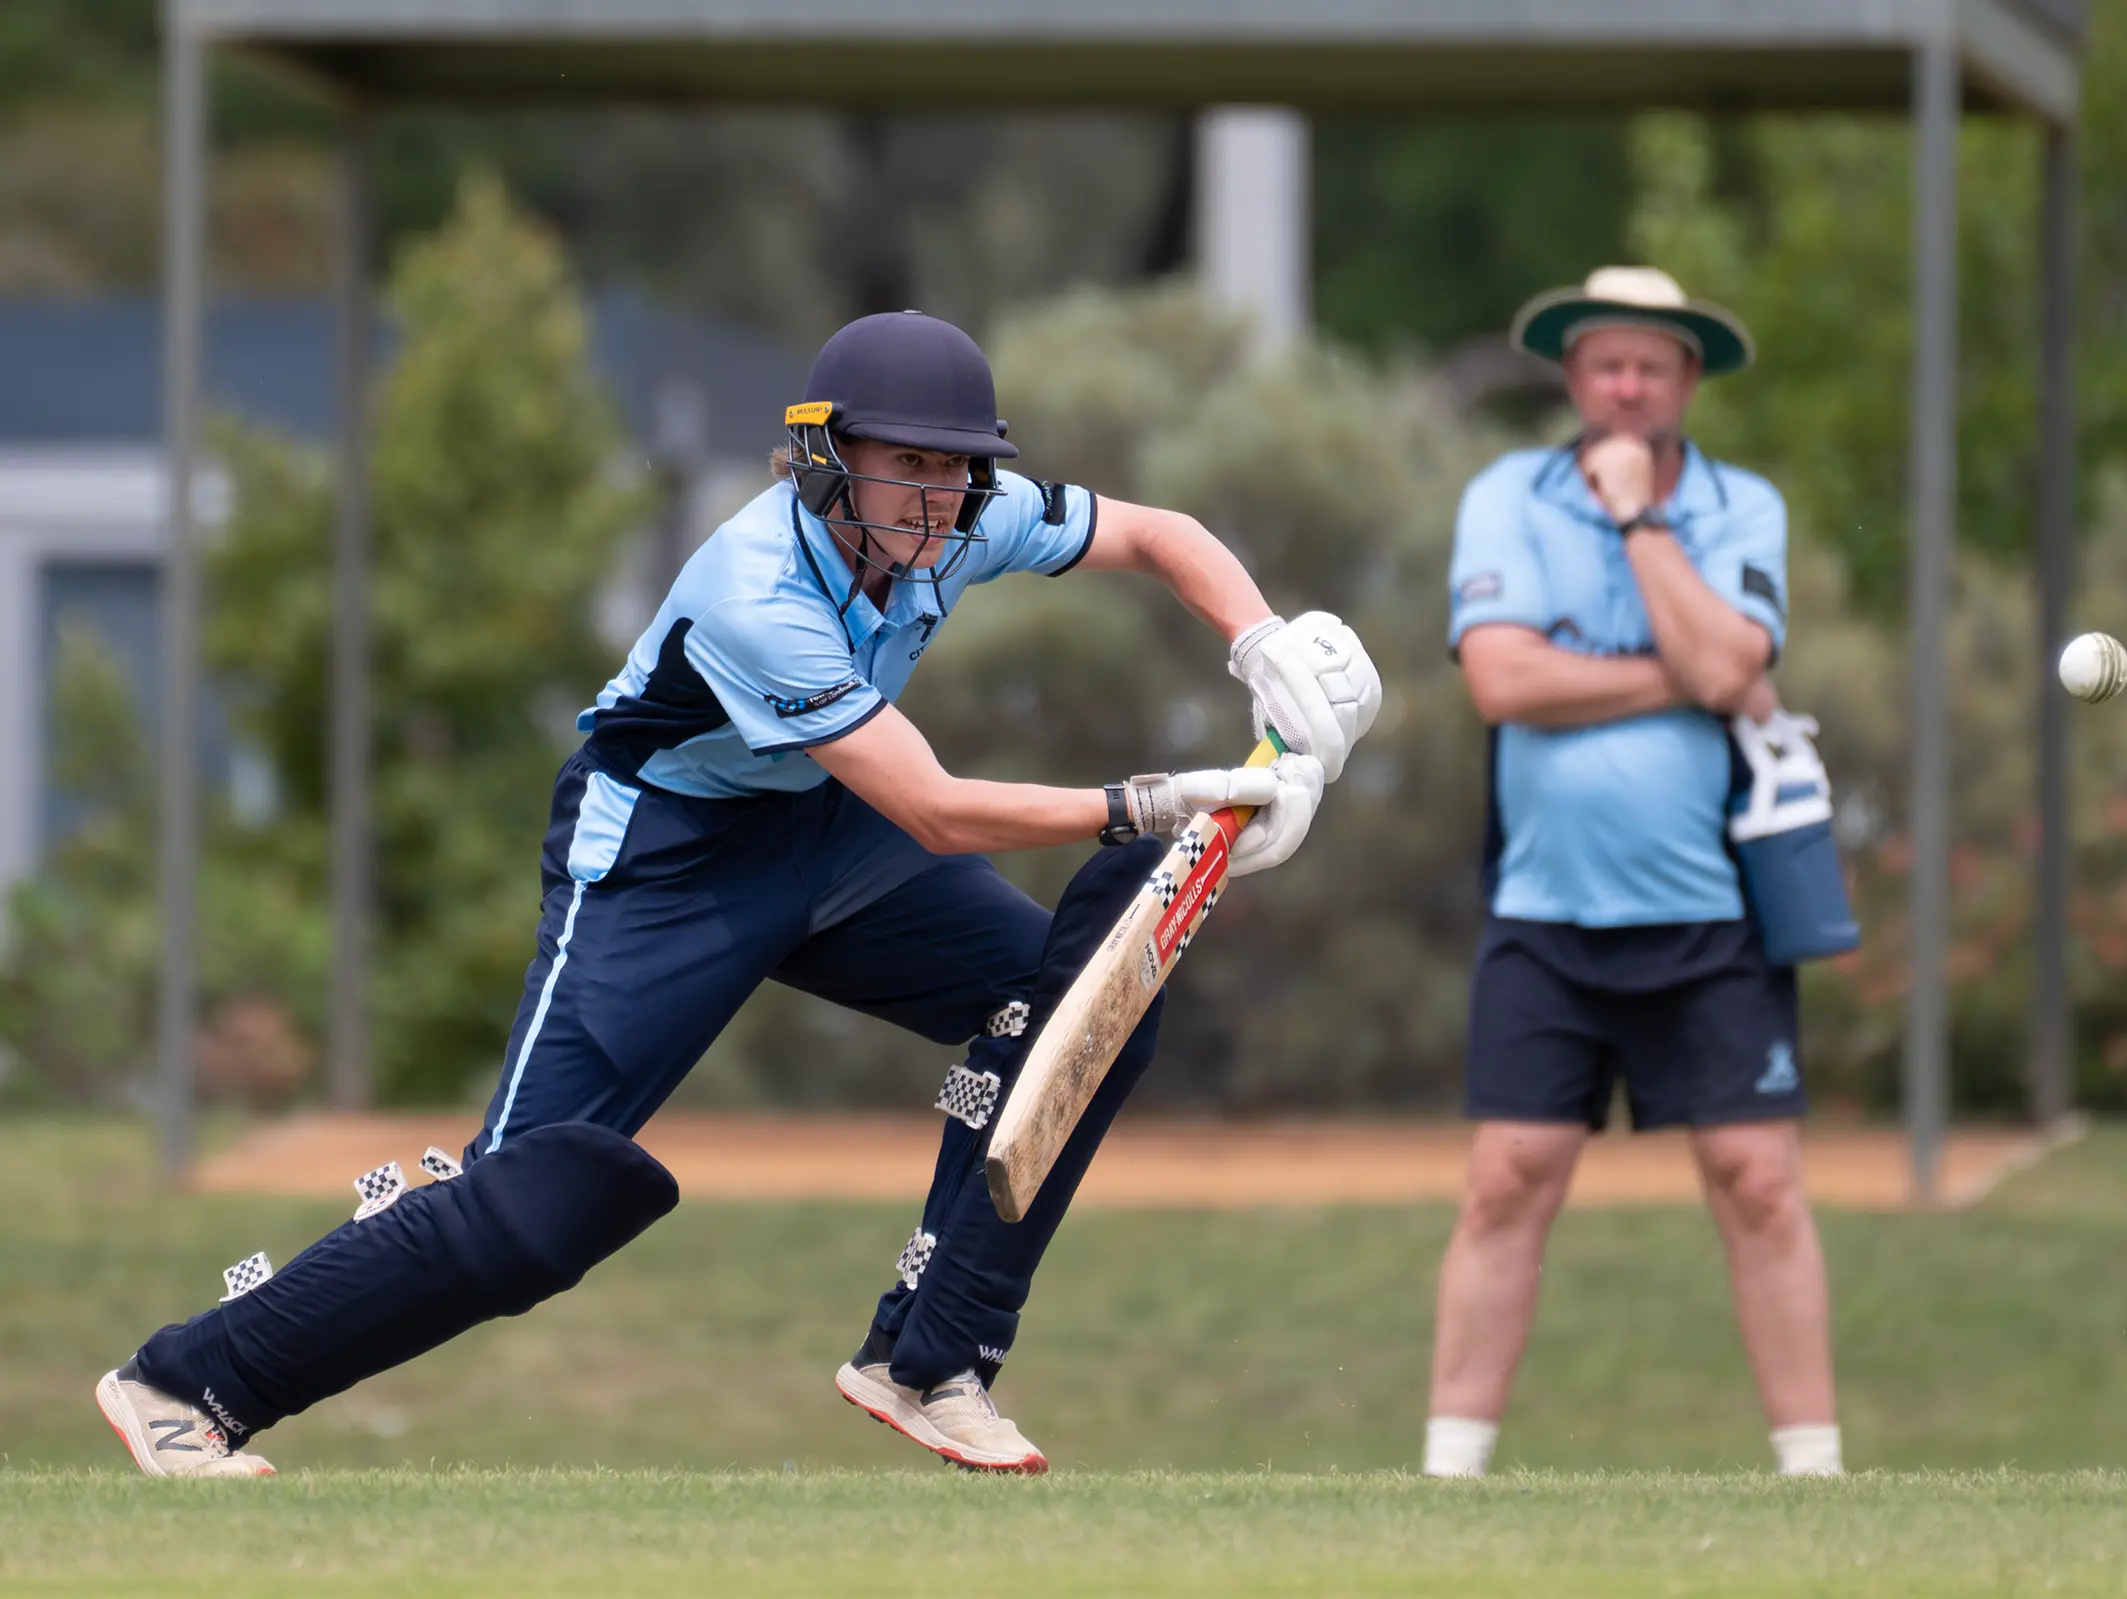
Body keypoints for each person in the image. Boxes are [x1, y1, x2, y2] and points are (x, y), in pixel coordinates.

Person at [96, 309, 1382, 1479]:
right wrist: (1153, 805)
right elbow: (930, 804)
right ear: (824, 458)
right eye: (905, 464)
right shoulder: (753, 589)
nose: (936, 497)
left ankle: (930, 1360)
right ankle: (183, 1384)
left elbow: (1161, 534)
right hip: (659, 856)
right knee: (525, 1205)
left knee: (1089, 1011)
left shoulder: (966, 516)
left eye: (954, 467)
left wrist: (1258, 642)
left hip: (821, 826)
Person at [1421, 267, 1841, 1479]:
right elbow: (1503, 681)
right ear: (1572, 375)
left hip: (1716, 913)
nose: (1624, 385)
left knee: (1758, 1180)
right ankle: (1450, 1479)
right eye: (1605, 363)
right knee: (1508, 1179)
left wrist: (1637, 524)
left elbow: (1730, 665)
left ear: (1686, 382)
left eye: (1651, 366)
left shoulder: (1739, 505)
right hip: (1544, 910)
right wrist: (1687, 670)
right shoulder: (1506, 494)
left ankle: (1814, 1478)